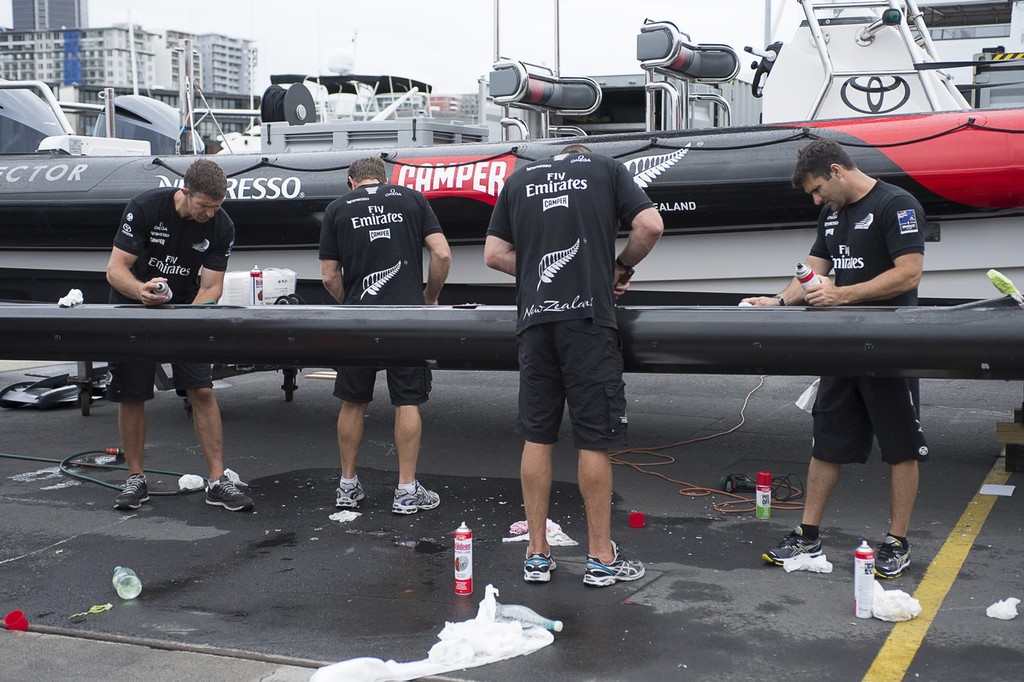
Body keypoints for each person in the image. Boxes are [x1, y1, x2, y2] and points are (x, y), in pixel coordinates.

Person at [742, 139, 928, 579]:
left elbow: (910, 271)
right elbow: (814, 265)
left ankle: (897, 542)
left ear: (837, 171)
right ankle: (807, 538)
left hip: (889, 346)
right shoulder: (833, 213)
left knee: (901, 447)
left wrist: (841, 294)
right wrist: (780, 302)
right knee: (826, 440)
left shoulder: (896, 205)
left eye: (818, 189)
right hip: (841, 344)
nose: (816, 199)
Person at [484, 144, 664, 587]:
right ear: (584, 153)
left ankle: (537, 553)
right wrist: (616, 267)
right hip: (587, 322)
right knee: (593, 439)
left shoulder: (519, 179)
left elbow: (492, 254)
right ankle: (601, 557)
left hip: (535, 324)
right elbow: (650, 225)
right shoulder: (606, 168)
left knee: (537, 434)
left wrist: (535, 272)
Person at [106, 158, 253, 512]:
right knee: (133, 393)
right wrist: (142, 290)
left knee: (201, 389)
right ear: (185, 192)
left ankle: (218, 481)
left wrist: (189, 315)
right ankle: (136, 479)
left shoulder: (222, 225)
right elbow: (115, 269)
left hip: (185, 309)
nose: (209, 214)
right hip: (133, 306)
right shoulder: (145, 207)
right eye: (204, 206)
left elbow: (213, 286)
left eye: (217, 207)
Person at [319, 155, 452, 514]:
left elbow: (329, 276)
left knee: (353, 400)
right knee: (406, 400)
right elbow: (441, 254)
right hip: (406, 318)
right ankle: (406, 490)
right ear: (385, 178)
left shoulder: (337, 209)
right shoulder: (412, 199)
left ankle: (347, 486)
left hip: (357, 320)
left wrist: (350, 303)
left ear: (351, 181)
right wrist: (430, 297)